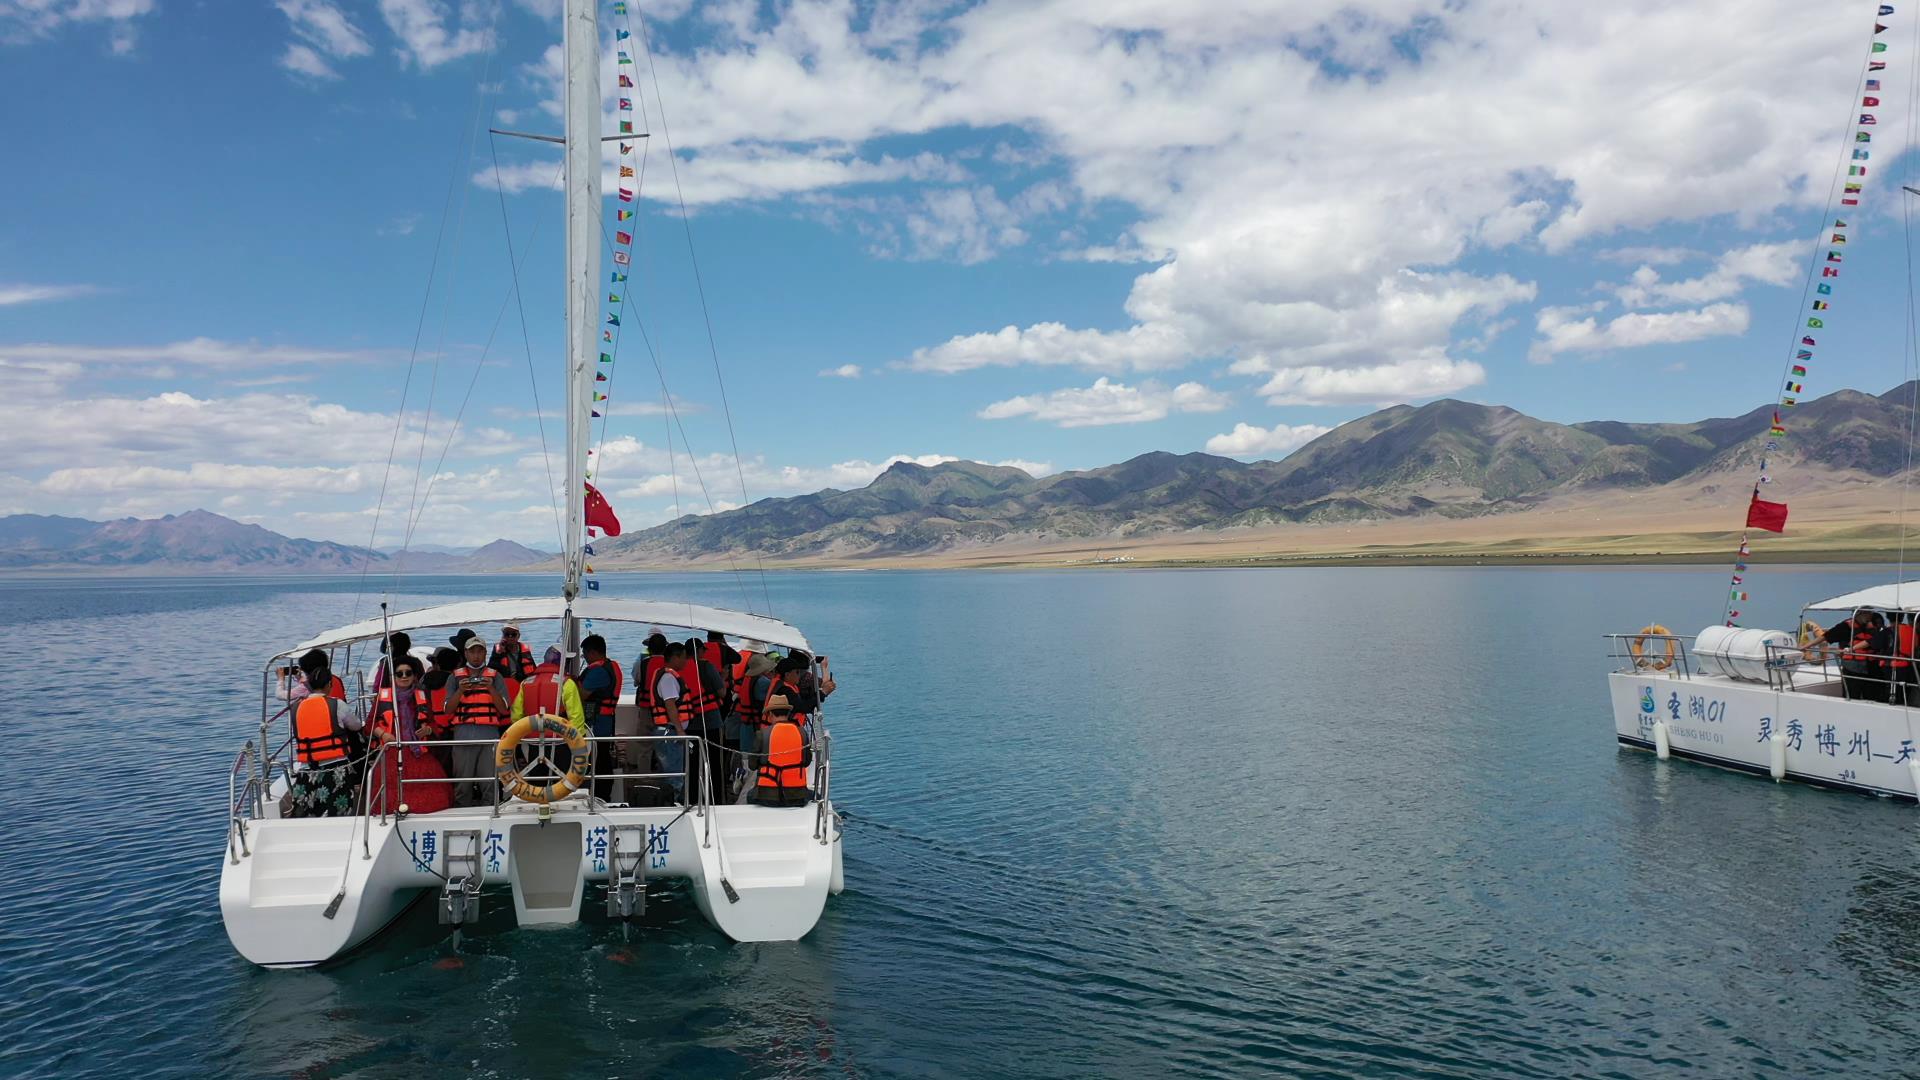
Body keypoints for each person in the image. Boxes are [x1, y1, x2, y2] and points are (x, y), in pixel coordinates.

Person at [367, 655, 451, 815]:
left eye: (408, 673)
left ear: (414, 675)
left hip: (418, 751)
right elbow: (369, 724)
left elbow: (434, 724)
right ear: (393, 676)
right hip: (391, 750)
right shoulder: (382, 698)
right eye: (400, 673)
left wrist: (428, 730)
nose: (404, 676)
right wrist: (383, 734)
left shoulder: (421, 696)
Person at [287, 650, 366, 818]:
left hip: (307, 769)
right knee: (338, 810)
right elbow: (356, 725)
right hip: (336, 768)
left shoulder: (296, 708)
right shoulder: (337, 704)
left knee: (308, 810)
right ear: (329, 684)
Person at [448, 636, 511, 807]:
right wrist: (460, 691)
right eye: (472, 652)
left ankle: (491, 811)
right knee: (463, 781)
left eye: (480, 651)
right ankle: (462, 812)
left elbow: (504, 709)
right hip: (463, 735)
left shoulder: (495, 677)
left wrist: (490, 688)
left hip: (489, 734)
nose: (476, 655)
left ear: (485, 653)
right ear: (466, 654)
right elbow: (448, 709)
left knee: (489, 780)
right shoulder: (455, 677)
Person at [513, 644, 588, 783]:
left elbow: (516, 716)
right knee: (564, 783)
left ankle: (538, 804)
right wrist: (579, 743)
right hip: (560, 743)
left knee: (538, 782)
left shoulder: (526, 683)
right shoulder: (567, 683)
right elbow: (576, 718)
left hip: (534, 744)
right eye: (567, 662)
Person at [578, 634, 624, 803]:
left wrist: (571, 684)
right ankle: (601, 794)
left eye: (585, 655)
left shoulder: (598, 671)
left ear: (593, 653)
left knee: (599, 760)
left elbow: (582, 695)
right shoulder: (611, 666)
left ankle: (600, 796)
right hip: (606, 720)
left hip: (597, 723)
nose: (586, 659)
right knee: (602, 758)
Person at [683, 637, 729, 801]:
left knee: (692, 765)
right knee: (714, 764)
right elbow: (722, 692)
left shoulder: (679, 669)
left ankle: (693, 799)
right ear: (699, 651)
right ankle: (716, 799)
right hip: (711, 722)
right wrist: (723, 677)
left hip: (688, 723)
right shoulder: (706, 666)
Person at [751, 694, 812, 807]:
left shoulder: (762, 734)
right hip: (797, 797)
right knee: (815, 795)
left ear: (770, 714)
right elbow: (807, 761)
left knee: (750, 795)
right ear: (788, 714)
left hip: (767, 797)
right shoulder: (802, 733)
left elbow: (752, 765)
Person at [647, 640, 690, 802]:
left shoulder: (666, 675)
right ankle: (673, 805)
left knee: (674, 772)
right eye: (684, 657)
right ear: (675, 657)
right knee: (674, 775)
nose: (686, 661)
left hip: (668, 731)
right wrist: (679, 730)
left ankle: (672, 802)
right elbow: (670, 705)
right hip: (669, 733)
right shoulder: (668, 678)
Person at [1840, 609, 1889, 703]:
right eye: (1877, 623)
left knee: (1869, 695)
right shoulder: (1849, 628)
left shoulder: (1875, 632)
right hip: (1855, 667)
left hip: (1869, 668)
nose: (1879, 626)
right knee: (1855, 695)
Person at [491, 624, 537, 701]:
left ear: (518, 636)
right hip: (505, 688)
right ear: (503, 636)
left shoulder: (525, 650)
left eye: (513, 634)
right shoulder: (498, 650)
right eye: (507, 634)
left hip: (522, 688)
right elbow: (491, 671)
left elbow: (533, 671)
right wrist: (498, 654)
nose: (510, 637)